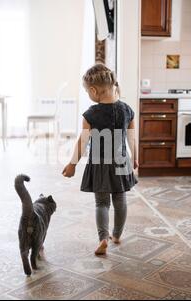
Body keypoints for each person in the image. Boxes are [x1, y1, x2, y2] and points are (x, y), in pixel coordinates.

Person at [62, 64, 138, 255]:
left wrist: (72, 164)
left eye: (87, 91)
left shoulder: (91, 114)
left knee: (101, 203)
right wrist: (135, 158)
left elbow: (82, 141)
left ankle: (103, 238)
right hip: (121, 162)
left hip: (99, 163)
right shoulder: (127, 110)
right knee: (120, 201)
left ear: (94, 90)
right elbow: (131, 137)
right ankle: (117, 234)